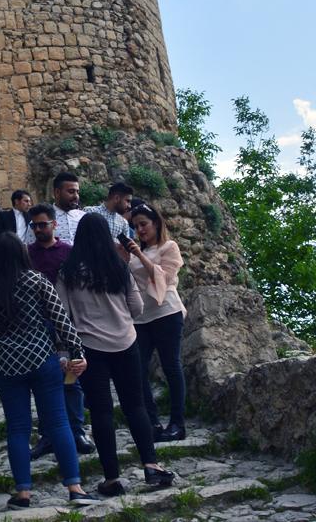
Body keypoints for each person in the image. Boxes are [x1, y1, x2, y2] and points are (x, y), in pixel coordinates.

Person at [0, 232, 96, 509]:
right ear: (21, 253)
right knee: (59, 423)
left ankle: (23, 493)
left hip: (7, 365)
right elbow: (61, 319)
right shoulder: (36, 281)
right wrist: (77, 352)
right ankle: (75, 488)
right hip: (42, 360)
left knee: (17, 429)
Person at [56, 214, 175, 497]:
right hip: (126, 343)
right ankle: (151, 465)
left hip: (90, 349)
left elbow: (62, 316)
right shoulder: (119, 268)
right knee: (136, 406)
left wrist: (64, 353)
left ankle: (112, 479)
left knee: (101, 412)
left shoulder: (67, 272)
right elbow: (136, 309)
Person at [26, 204, 94, 458]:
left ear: (54, 224)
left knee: (72, 379)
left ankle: (77, 430)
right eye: (34, 225)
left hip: (66, 322)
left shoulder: (68, 252)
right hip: (37, 325)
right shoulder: (28, 255)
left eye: (43, 224)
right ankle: (48, 435)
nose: (38, 229)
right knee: (44, 380)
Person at [124, 204, 188, 442]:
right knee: (137, 371)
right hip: (141, 316)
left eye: (143, 224)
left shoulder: (168, 247)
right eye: (136, 225)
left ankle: (177, 423)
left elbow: (165, 277)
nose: (139, 229)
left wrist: (139, 255)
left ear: (156, 223)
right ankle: (152, 422)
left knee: (171, 365)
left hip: (166, 312)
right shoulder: (133, 254)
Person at [52, 172, 85, 244]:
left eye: (77, 192)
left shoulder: (84, 217)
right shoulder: (43, 220)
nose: (76, 196)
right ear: (57, 192)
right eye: (71, 191)